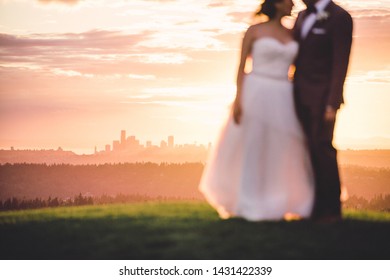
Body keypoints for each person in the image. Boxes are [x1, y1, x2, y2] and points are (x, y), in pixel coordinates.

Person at [199, 0, 314, 221]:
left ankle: (279, 200)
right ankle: (250, 201)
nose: (293, 4)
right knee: (254, 145)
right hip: (256, 91)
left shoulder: (294, 33)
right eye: (289, 0)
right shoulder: (254, 31)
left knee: (283, 149)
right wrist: (238, 99)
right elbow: (241, 67)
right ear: (278, 3)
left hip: (284, 94)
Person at [293, 0, 353, 222]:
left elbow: (340, 63)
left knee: (322, 148)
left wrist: (332, 102)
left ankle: (331, 210)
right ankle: (312, 207)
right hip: (297, 98)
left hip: (322, 99)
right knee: (306, 152)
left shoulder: (339, 17)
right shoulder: (301, 17)